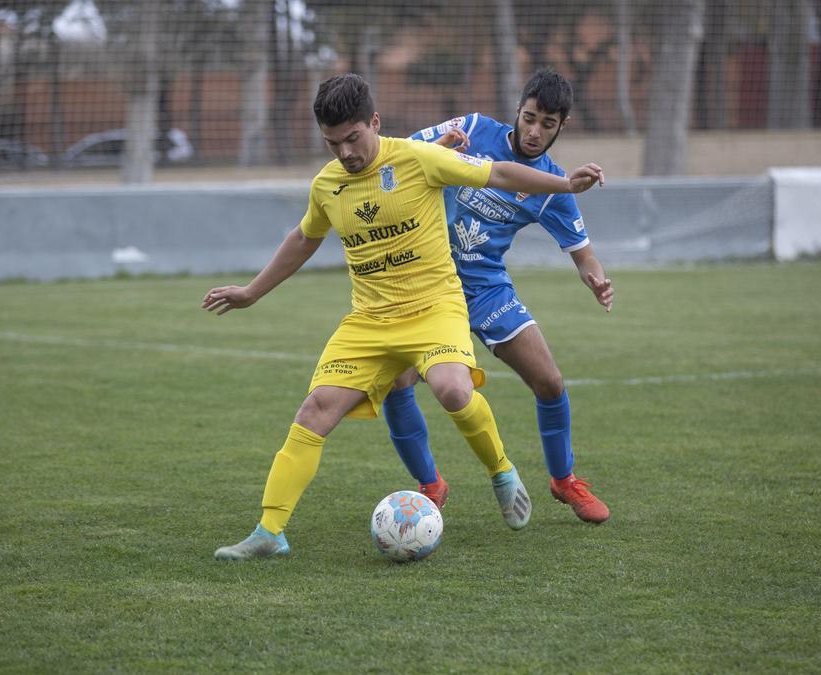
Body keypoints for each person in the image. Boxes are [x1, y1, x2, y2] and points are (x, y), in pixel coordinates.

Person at [205, 73, 604, 560]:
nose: (346, 153)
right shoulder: (328, 184)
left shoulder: (418, 158)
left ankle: (502, 471)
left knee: (454, 389)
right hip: (369, 321)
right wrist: (251, 292)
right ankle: (270, 532)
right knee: (314, 411)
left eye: (353, 138)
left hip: (436, 306)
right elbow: (304, 238)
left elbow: (499, 174)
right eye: (333, 143)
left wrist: (565, 184)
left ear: (374, 123)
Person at [382, 68, 614, 524]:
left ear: (562, 126)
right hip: (426, 281)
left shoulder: (552, 186)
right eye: (529, 118)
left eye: (547, 124)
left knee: (549, 382)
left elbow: (585, 255)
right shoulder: (473, 128)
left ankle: (564, 480)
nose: (534, 131)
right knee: (397, 381)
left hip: (485, 287)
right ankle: (430, 484)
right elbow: (403, 154)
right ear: (518, 109)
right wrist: (442, 148)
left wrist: (597, 279)